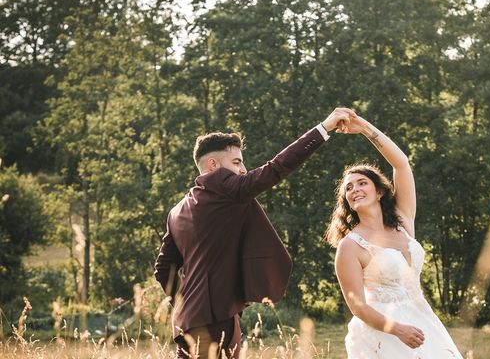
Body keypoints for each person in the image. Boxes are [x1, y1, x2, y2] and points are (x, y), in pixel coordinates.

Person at [154, 107, 355, 359]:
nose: (243, 169)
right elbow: (276, 168)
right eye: (237, 162)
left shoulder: (176, 211)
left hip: (187, 320)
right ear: (213, 164)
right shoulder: (225, 188)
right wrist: (324, 128)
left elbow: (163, 268)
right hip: (217, 319)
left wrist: (187, 304)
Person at [326, 114, 463, 358]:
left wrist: (365, 128)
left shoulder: (403, 222)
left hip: (424, 322)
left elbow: (401, 164)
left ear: (379, 191)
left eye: (361, 183)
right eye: (348, 188)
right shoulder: (351, 246)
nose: (355, 189)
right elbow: (357, 305)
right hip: (383, 333)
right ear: (346, 201)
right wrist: (397, 329)